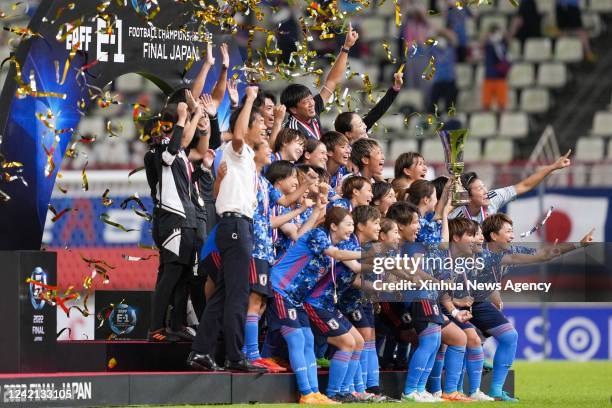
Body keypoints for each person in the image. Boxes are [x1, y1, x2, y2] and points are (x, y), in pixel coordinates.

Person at [188, 86, 267, 372]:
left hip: (234, 225)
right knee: (237, 293)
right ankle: (235, 356)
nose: (264, 130)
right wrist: (248, 100)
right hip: (235, 225)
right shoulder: (240, 149)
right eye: (260, 124)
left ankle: (200, 351)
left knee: (223, 293)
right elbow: (239, 134)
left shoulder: (239, 156)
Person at [268, 207, 363, 403]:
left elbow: (352, 264)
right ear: (334, 225)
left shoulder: (334, 245)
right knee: (297, 340)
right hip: (280, 287)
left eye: (353, 225)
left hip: (296, 298)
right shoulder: (319, 235)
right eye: (348, 225)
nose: (351, 230)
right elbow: (337, 254)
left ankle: (315, 393)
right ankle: (306, 393)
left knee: (308, 340)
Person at [146, 97, 204, 342]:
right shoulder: (157, 152)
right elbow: (170, 154)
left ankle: (177, 325)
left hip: (187, 219)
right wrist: (182, 118)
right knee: (170, 275)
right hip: (172, 220)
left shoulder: (180, 152)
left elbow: (184, 142)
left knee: (184, 276)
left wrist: (197, 113)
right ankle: (155, 329)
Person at [282, 24, 359, 140]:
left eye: (310, 98)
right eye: (305, 101)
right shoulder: (291, 132)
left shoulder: (313, 109)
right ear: (293, 109)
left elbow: (332, 81)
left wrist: (346, 47)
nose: (312, 103)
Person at [449, 150, 572, 223]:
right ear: (468, 197)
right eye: (480, 189)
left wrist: (552, 167)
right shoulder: (456, 219)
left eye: (484, 186)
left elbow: (524, 185)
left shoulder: (492, 198)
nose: (486, 191)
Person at [333, 72, 404, 143]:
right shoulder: (345, 153)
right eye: (360, 125)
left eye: (362, 122)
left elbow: (379, 110)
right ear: (349, 134)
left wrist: (397, 86)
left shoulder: (360, 133)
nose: (365, 126)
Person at [481, 24, 511, 111]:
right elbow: (481, 44)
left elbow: (509, 40)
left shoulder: (503, 44)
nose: (496, 35)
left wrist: (503, 33)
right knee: (486, 105)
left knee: (502, 105)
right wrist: (488, 35)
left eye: (497, 32)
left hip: (501, 79)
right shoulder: (488, 45)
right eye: (494, 33)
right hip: (489, 78)